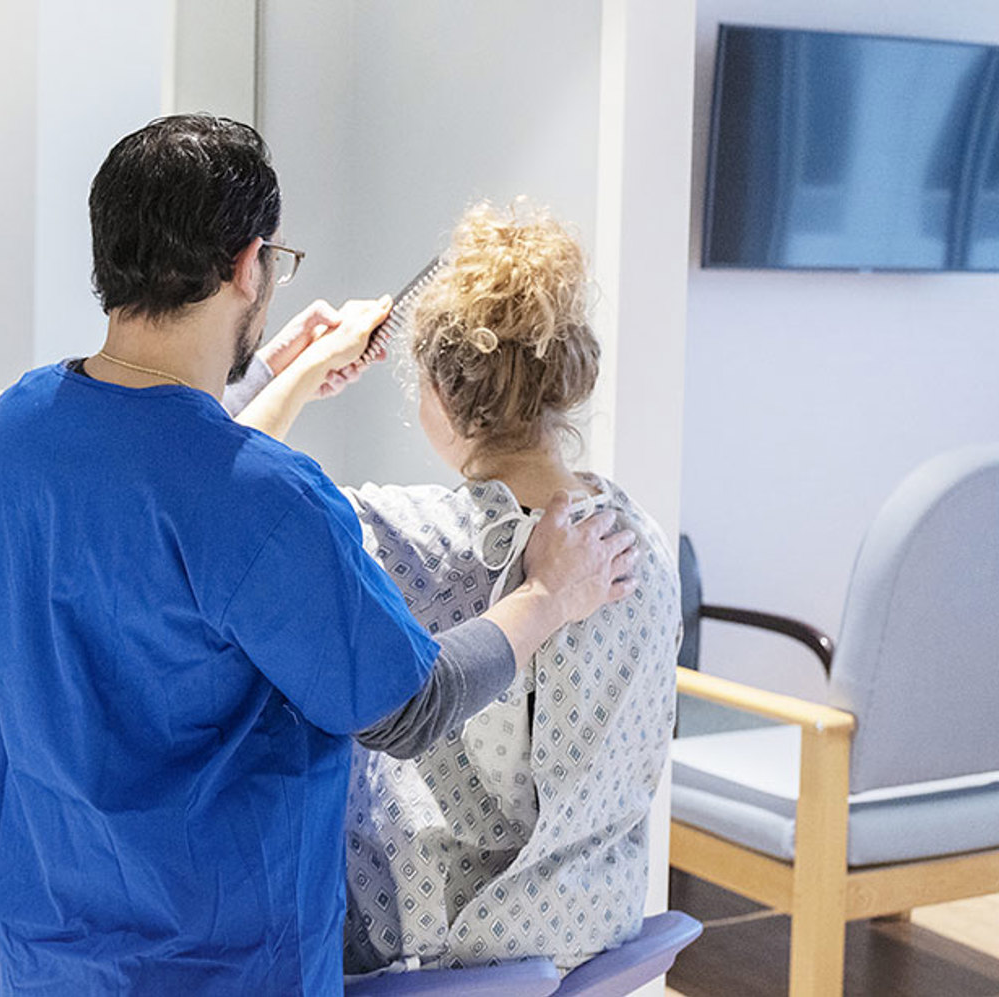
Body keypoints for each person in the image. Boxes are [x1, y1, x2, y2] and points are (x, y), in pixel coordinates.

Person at [0, 115, 639, 994]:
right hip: (224, 968)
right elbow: (410, 704)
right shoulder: (269, 499)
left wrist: (284, 377)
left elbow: (175, 488)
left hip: (50, 955)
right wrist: (550, 591)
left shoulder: (19, 429)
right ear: (250, 265)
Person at [234, 200, 681, 975]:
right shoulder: (637, 540)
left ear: (441, 391)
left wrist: (297, 372)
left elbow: (218, 481)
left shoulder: (398, 536)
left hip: (438, 944)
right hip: (591, 932)